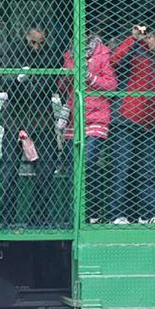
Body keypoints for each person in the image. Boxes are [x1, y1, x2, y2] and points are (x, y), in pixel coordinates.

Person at [0, 25, 59, 226]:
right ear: (26, 37)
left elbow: (51, 82)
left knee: (46, 168)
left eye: (41, 43)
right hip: (15, 116)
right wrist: (17, 79)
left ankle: (39, 217)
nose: (37, 47)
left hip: (40, 116)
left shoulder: (50, 54)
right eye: (33, 42)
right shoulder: (11, 50)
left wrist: (32, 82)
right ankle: (4, 217)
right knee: (9, 169)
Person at [109, 21, 155, 224]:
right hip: (126, 119)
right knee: (122, 167)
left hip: (149, 123)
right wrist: (133, 38)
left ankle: (148, 214)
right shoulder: (135, 50)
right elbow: (114, 61)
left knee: (149, 169)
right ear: (151, 37)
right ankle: (116, 214)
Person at [56, 31, 118, 224]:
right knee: (71, 165)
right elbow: (63, 89)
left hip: (97, 116)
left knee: (88, 162)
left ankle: (93, 210)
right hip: (75, 118)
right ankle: (74, 213)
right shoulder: (69, 56)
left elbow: (111, 85)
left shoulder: (102, 54)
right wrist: (64, 80)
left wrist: (90, 77)